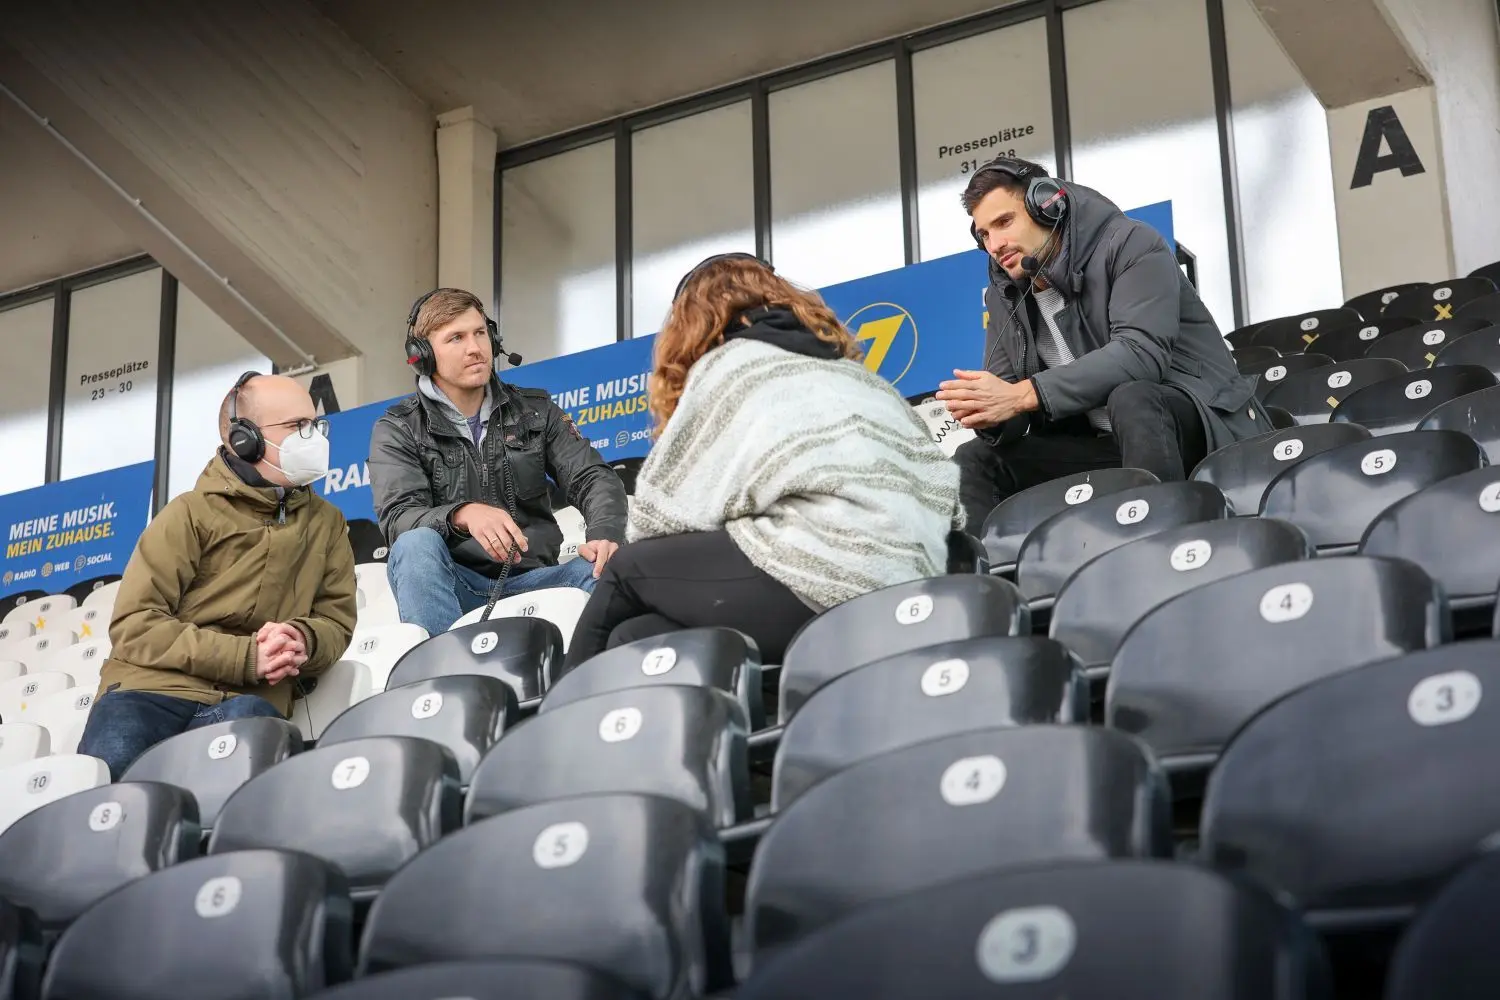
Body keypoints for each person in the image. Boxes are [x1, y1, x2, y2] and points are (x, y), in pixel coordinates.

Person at [565, 254, 963, 668]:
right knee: (637, 637)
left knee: (627, 568)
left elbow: (660, 519)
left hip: (832, 578)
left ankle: (554, 725)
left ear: (692, 320)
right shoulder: (855, 376)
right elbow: (943, 490)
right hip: (909, 588)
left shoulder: (732, 364)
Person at [939, 156, 1263, 530]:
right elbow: (1011, 400)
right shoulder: (1004, 293)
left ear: (1047, 206)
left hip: (1199, 429)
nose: (995, 244)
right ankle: (987, 585)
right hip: (1105, 449)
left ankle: (1159, 546)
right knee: (974, 458)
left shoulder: (1131, 243)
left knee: (1133, 398)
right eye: (984, 234)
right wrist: (989, 413)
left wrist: (1021, 396)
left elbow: (1142, 354)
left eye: (1004, 222)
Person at [77, 373, 357, 780]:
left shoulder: (328, 523)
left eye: (314, 425)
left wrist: (302, 640)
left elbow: (335, 622)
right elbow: (135, 626)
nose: (312, 437)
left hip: (250, 699)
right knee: (107, 806)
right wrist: (246, 657)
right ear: (246, 440)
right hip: (147, 692)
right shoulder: (186, 513)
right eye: (297, 427)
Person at [369, 288, 628, 637]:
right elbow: (400, 519)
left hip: (539, 578)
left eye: (479, 333)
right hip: (457, 586)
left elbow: (592, 477)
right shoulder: (397, 429)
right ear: (423, 356)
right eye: (456, 338)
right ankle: (443, 679)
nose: (475, 348)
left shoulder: (537, 411)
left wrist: (604, 534)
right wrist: (461, 514)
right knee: (414, 545)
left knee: (605, 569)